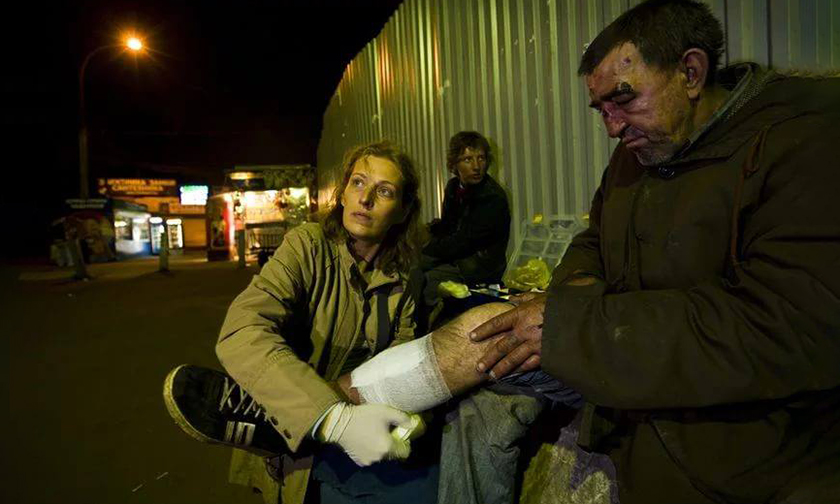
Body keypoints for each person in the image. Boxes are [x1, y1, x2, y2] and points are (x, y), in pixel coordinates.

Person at [468, 1, 840, 503]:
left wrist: (576, 326)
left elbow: (781, 325)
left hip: (758, 467)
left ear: (690, 72)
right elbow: (593, 241)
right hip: (644, 441)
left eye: (623, 99)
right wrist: (575, 293)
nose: (612, 127)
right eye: (601, 109)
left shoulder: (804, 141)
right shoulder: (636, 156)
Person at [164, 140, 434, 504]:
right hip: (293, 435)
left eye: (384, 191)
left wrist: (412, 414)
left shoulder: (403, 277)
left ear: (403, 211)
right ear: (342, 194)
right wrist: (333, 420)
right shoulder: (307, 246)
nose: (365, 198)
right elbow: (242, 330)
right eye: (358, 182)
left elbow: (401, 353)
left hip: (358, 435)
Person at [421, 131, 511, 307]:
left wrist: (426, 250)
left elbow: (464, 241)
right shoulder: (453, 187)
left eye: (481, 158)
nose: (476, 166)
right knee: (411, 267)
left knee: (425, 280)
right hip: (458, 257)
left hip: (478, 267)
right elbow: (447, 226)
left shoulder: (492, 197)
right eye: (468, 159)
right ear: (455, 164)